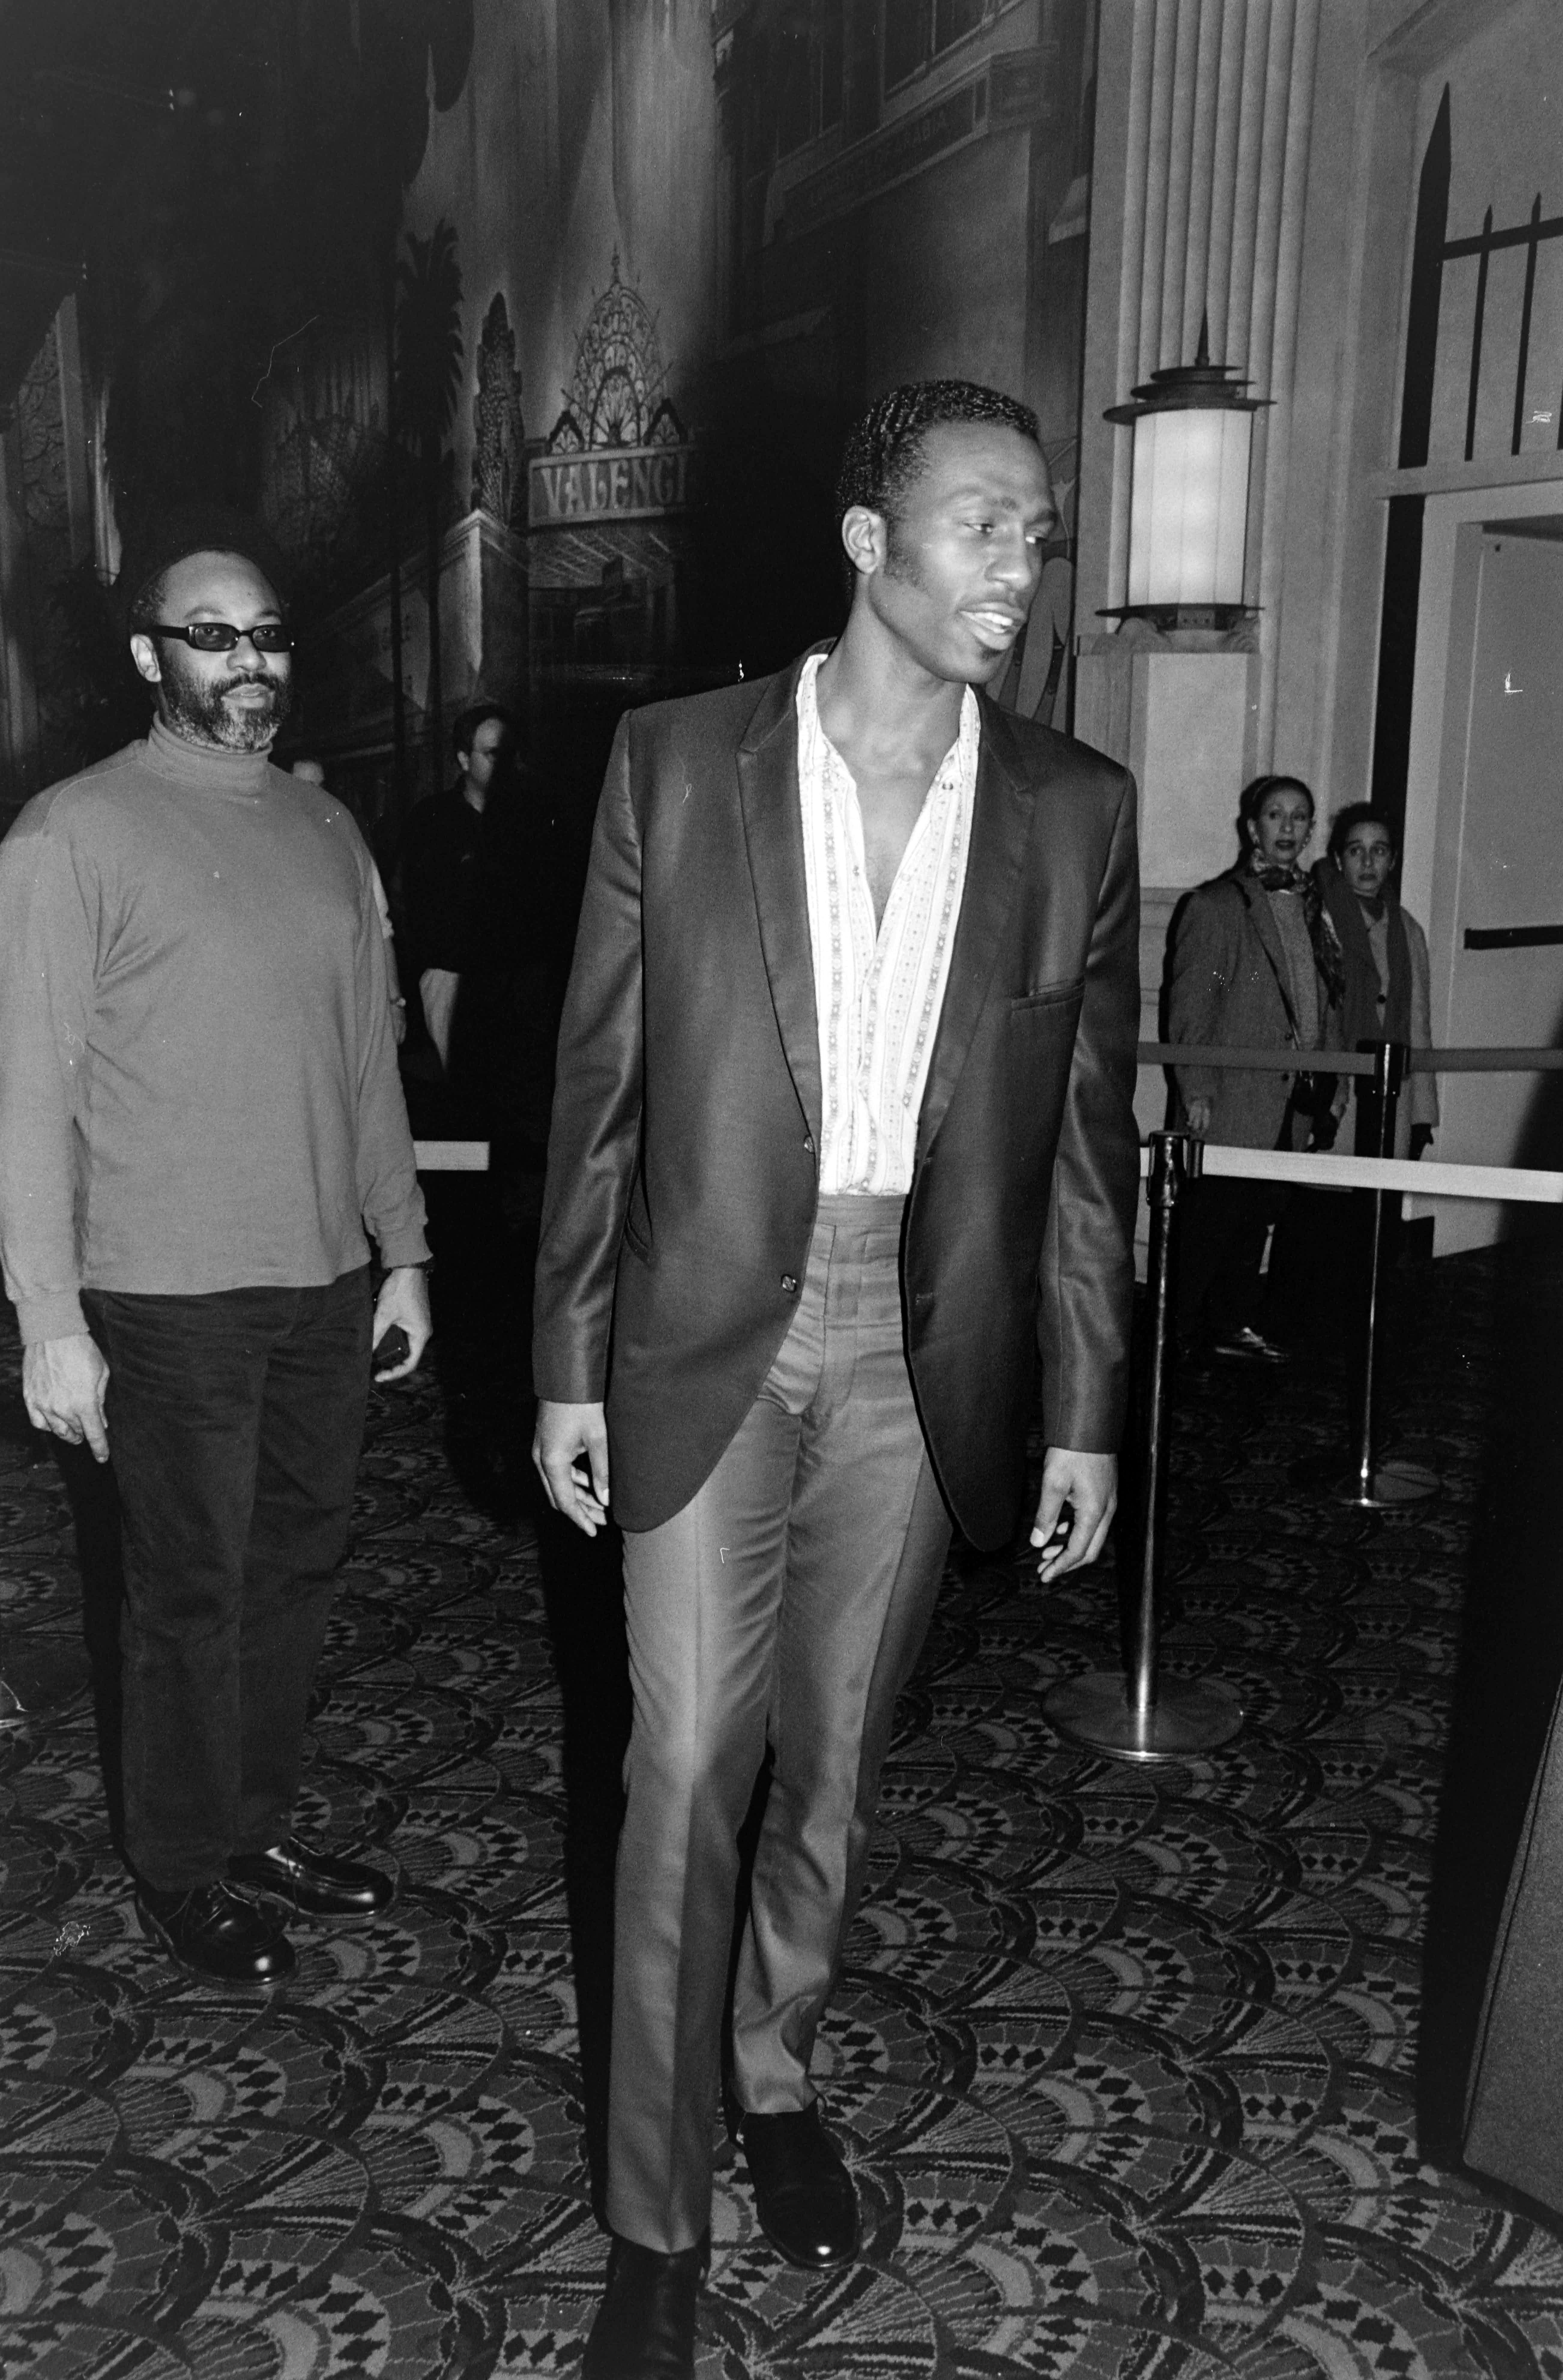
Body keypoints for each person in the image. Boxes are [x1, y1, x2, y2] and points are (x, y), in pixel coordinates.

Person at [531, 380, 1140, 2379]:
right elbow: (599, 1088)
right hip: (710, 1323)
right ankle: (652, 2211)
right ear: (868, 539)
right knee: (685, 1762)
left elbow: (1079, 1145)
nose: (1020, 570)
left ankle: (774, 2071)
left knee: (835, 1766)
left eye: (1039, 534)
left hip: (920, 1339)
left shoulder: (1071, 807)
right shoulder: (677, 762)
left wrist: (1083, 1407)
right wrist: (562, 1360)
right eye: (984, 524)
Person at [0, 509, 433, 1987]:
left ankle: (252, 1828)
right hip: (158, 1294)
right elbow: (25, 1094)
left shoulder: (325, 827)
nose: (250, 663)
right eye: (212, 635)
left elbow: (365, 1066)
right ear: (146, 655)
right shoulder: (70, 832)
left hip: (319, 1282)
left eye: (267, 636)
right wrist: (48, 1315)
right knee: (189, 1586)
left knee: (297, 1566)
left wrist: (405, 1248)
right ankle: (182, 1864)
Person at [1166, 773, 1343, 1361]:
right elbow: (1190, 1009)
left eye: (1299, 817)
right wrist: (1196, 1088)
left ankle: (1230, 1326)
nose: (1288, 828)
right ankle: (1169, 1343)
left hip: (1288, 1100)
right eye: (1275, 816)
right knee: (1206, 1228)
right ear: (1251, 828)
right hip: (1228, 1097)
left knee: (1256, 1222)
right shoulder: (1215, 906)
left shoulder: (1315, 908)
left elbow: (1326, 999)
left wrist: (1333, 1085)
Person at [1313, 803, 1438, 1158]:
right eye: (1356, 851)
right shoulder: (1318, 918)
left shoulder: (1407, 929)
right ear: (1338, 859)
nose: (1367, 863)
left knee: (1378, 1203)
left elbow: (1418, 1025)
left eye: (1378, 851)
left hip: (1392, 1094)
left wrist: (1421, 1116)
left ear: (1392, 860)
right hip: (1336, 1092)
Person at [400, 701, 518, 1071]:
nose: (504, 764)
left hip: (516, 981)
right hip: (454, 979)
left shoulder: (527, 818)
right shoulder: (433, 821)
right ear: (464, 759)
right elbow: (416, 910)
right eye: (492, 754)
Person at [292, 756, 407, 1046]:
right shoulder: (267, 851)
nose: (313, 796)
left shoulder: (349, 844)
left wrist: (394, 1003)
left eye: (320, 787)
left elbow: (381, 927)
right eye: (302, 786)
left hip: (346, 1004)